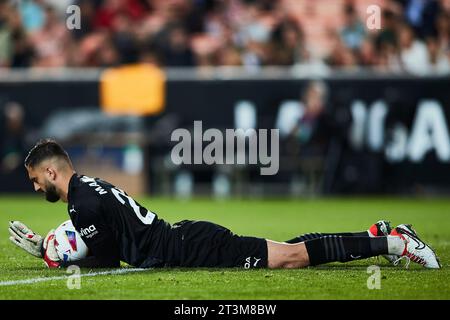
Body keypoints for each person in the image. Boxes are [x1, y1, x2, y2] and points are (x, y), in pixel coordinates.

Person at [9, 139, 441, 269]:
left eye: (33, 180)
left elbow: (105, 264)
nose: (34, 189)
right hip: (185, 240)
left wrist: (57, 256)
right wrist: (61, 248)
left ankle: (395, 244)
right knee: (286, 249)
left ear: (50, 172)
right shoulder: (90, 186)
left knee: (289, 257)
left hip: (191, 248)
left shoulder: (80, 204)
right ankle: (376, 236)